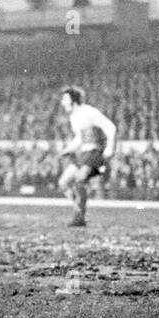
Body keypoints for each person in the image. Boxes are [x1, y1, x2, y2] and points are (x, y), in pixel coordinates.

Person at [56, 86, 116, 227]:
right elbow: (79, 138)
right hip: (82, 154)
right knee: (63, 183)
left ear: (73, 100)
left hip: (94, 153)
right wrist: (67, 150)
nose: (62, 102)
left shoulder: (89, 111)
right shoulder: (73, 117)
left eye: (65, 99)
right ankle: (78, 209)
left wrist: (109, 148)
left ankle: (80, 216)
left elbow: (110, 127)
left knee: (79, 181)